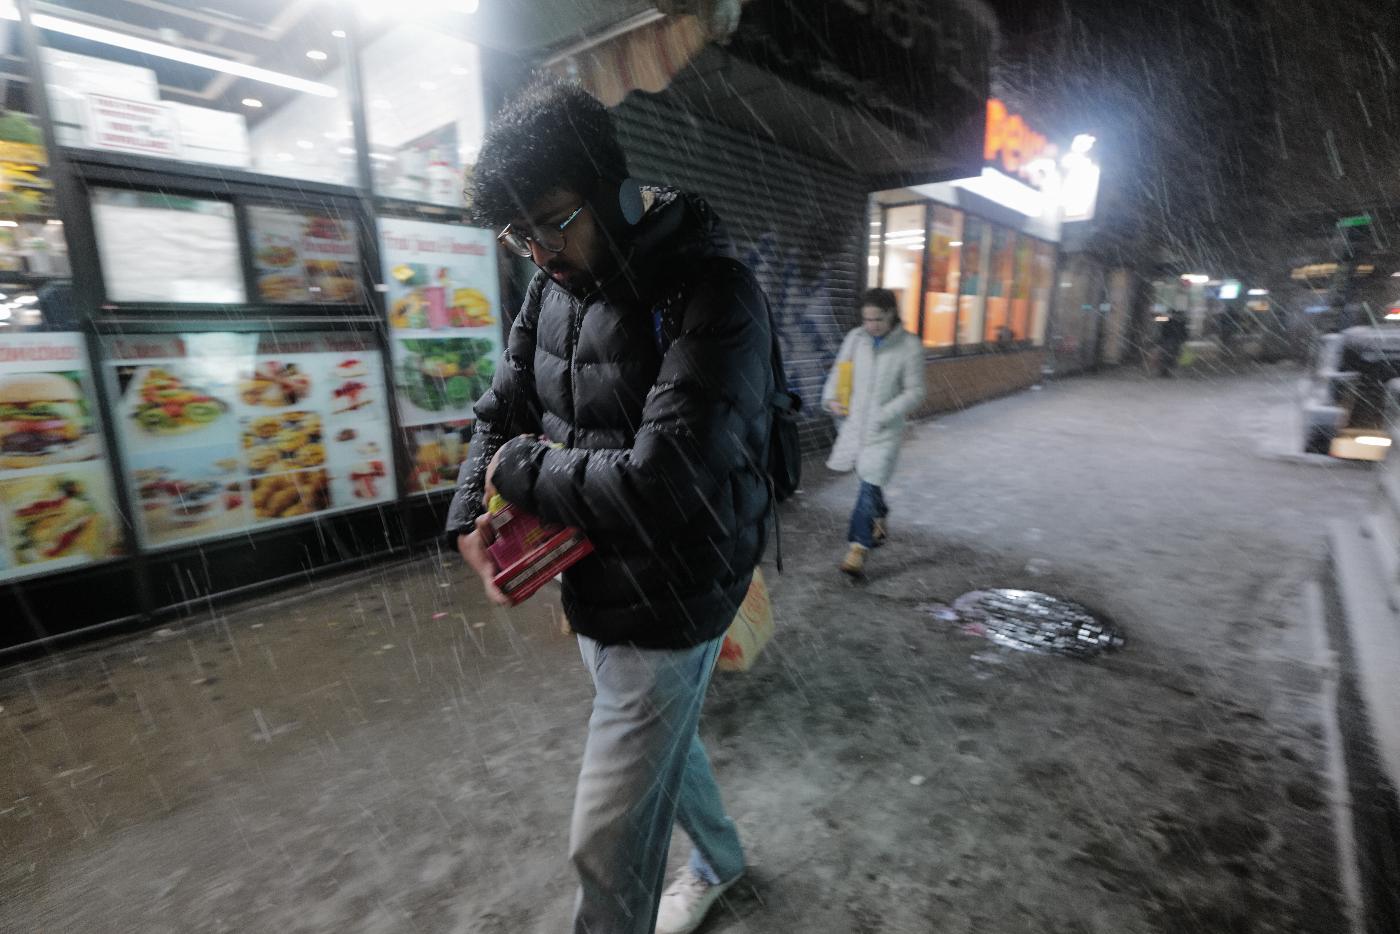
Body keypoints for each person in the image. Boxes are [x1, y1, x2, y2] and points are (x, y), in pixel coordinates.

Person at [445, 75, 770, 934]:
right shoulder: (548, 291)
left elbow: (666, 481)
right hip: (593, 580)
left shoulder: (714, 294)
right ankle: (724, 858)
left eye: (555, 219)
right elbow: (503, 406)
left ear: (612, 191)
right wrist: (462, 523)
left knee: (607, 840)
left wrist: (516, 471)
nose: (540, 248)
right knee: (661, 740)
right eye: (519, 234)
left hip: (684, 588)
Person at [821, 288, 926, 576]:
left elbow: (916, 392)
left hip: (884, 430)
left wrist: (885, 413)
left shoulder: (909, 346)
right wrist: (832, 399)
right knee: (869, 480)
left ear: (891, 314)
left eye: (877, 319)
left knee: (869, 482)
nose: (870, 325)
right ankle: (879, 516)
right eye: (866, 319)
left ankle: (858, 547)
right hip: (854, 424)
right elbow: (839, 373)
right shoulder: (857, 339)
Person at [1158, 309, 1189, 377]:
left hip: (1171, 340)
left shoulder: (1173, 321)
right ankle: (1166, 370)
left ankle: (1165, 370)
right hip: (1172, 340)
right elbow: (1183, 332)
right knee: (1170, 355)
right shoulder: (1178, 321)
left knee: (1169, 355)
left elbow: (1164, 330)